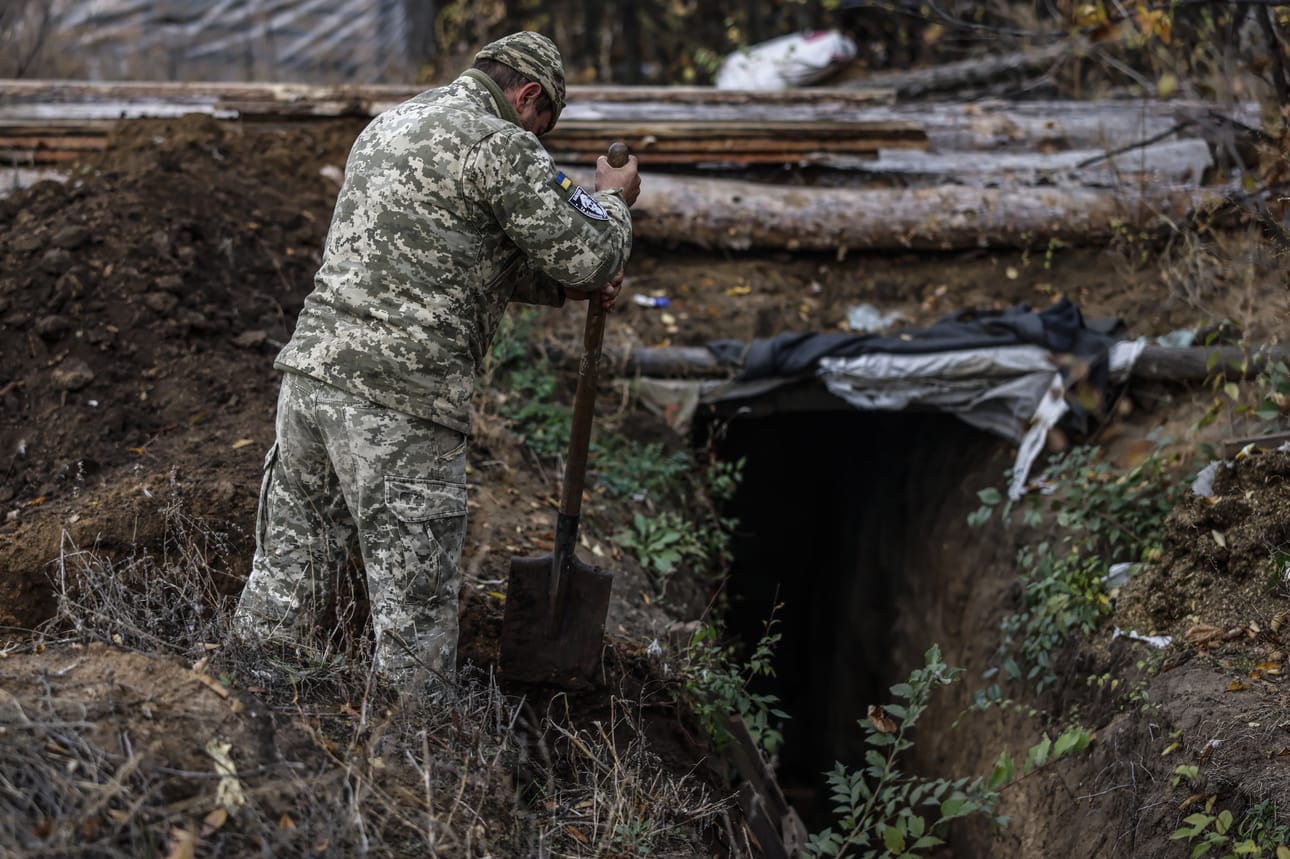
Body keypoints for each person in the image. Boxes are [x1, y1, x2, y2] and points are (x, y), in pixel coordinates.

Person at [232, 31, 640, 694]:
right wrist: (615, 198)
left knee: (282, 588)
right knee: (414, 634)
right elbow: (592, 251)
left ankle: (240, 733)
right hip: (401, 410)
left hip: (310, 387)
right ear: (527, 94)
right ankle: (405, 783)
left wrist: (564, 290)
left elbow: (451, 250)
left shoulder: (389, 126)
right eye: (545, 121)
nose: (540, 133)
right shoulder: (500, 143)